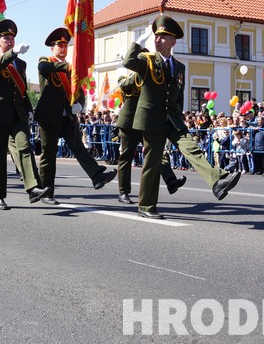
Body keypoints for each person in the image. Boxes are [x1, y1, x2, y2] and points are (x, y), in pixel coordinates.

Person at [123, 16, 240, 219]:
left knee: (191, 148)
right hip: (151, 119)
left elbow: (178, 96)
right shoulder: (147, 60)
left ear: (173, 41)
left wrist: (179, 118)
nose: (158, 40)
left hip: (173, 119)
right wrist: (137, 44)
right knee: (153, 162)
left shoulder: (179, 67)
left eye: (163, 37)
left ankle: (217, 182)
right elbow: (128, 62)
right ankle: (146, 206)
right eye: (157, 37)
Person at [35, 27, 118, 205]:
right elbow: (43, 68)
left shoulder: (71, 68)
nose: (63, 48)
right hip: (49, 117)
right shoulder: (47, 61)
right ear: (52, 48)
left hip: (67, 117)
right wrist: (67, 67)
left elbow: (79, 90)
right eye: (59, 45)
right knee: (48, 156)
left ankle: (97, 176)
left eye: (65, 45)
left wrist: (80, 104)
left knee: (78, 147)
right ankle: (46, 192)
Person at [0, 19, 51, 210]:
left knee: (24, 147)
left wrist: (28, 109)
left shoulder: (22, 63)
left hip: (17, 113)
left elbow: (22, 89)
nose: (9, 40)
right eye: (5, 38)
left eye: (11, 37)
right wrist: (12, 53)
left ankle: (32, 187)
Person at [116, 72, 186, 204]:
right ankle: (123, 192)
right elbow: (124, 86)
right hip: (129, 122)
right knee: (126, 156)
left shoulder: (151, 79)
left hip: (145, 122)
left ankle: (171, 181)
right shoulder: (125, 77)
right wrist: (140, 72)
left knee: (156, 152)